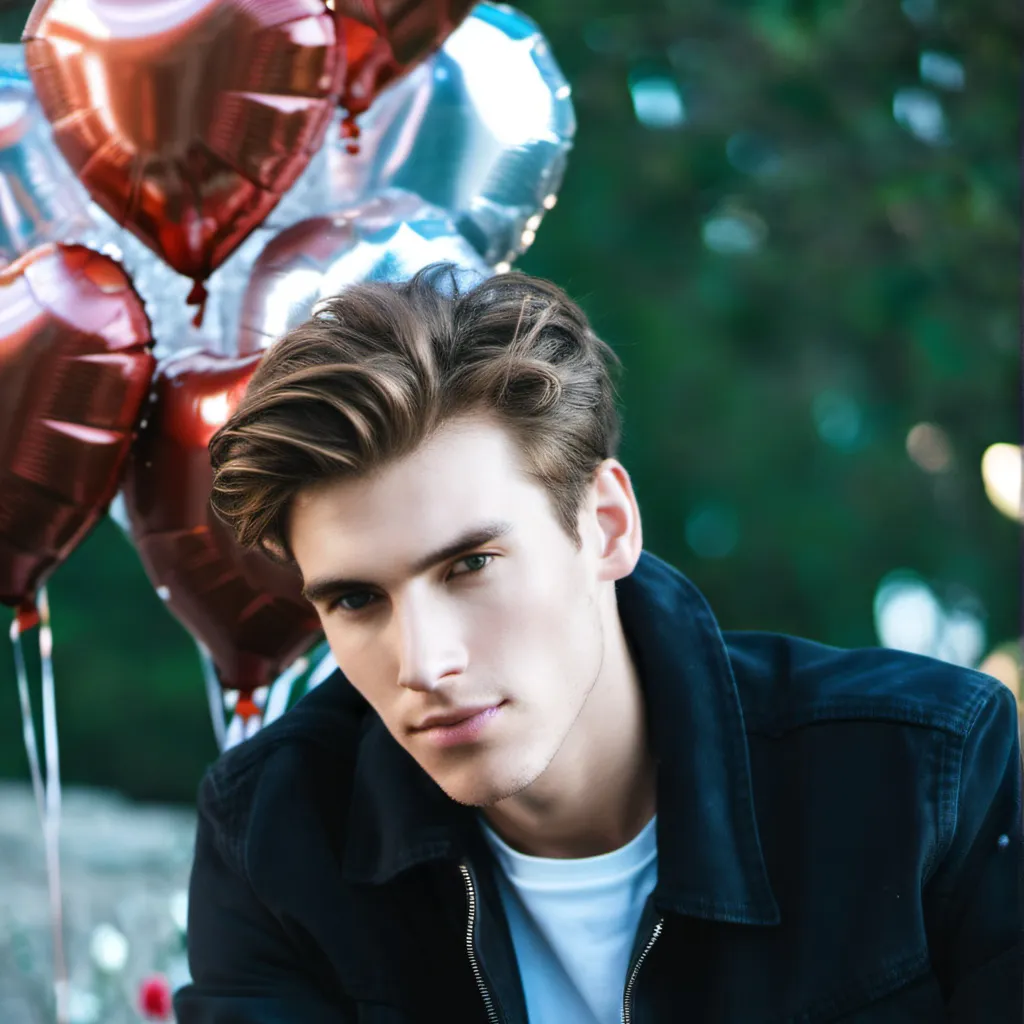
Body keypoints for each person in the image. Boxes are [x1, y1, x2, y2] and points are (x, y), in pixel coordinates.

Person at [173, 265, 1022, 1023]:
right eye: (358, 600)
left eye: (471, 565)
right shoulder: (276, 839)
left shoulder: (924, 778)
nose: (424, 664)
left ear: (607, 526)